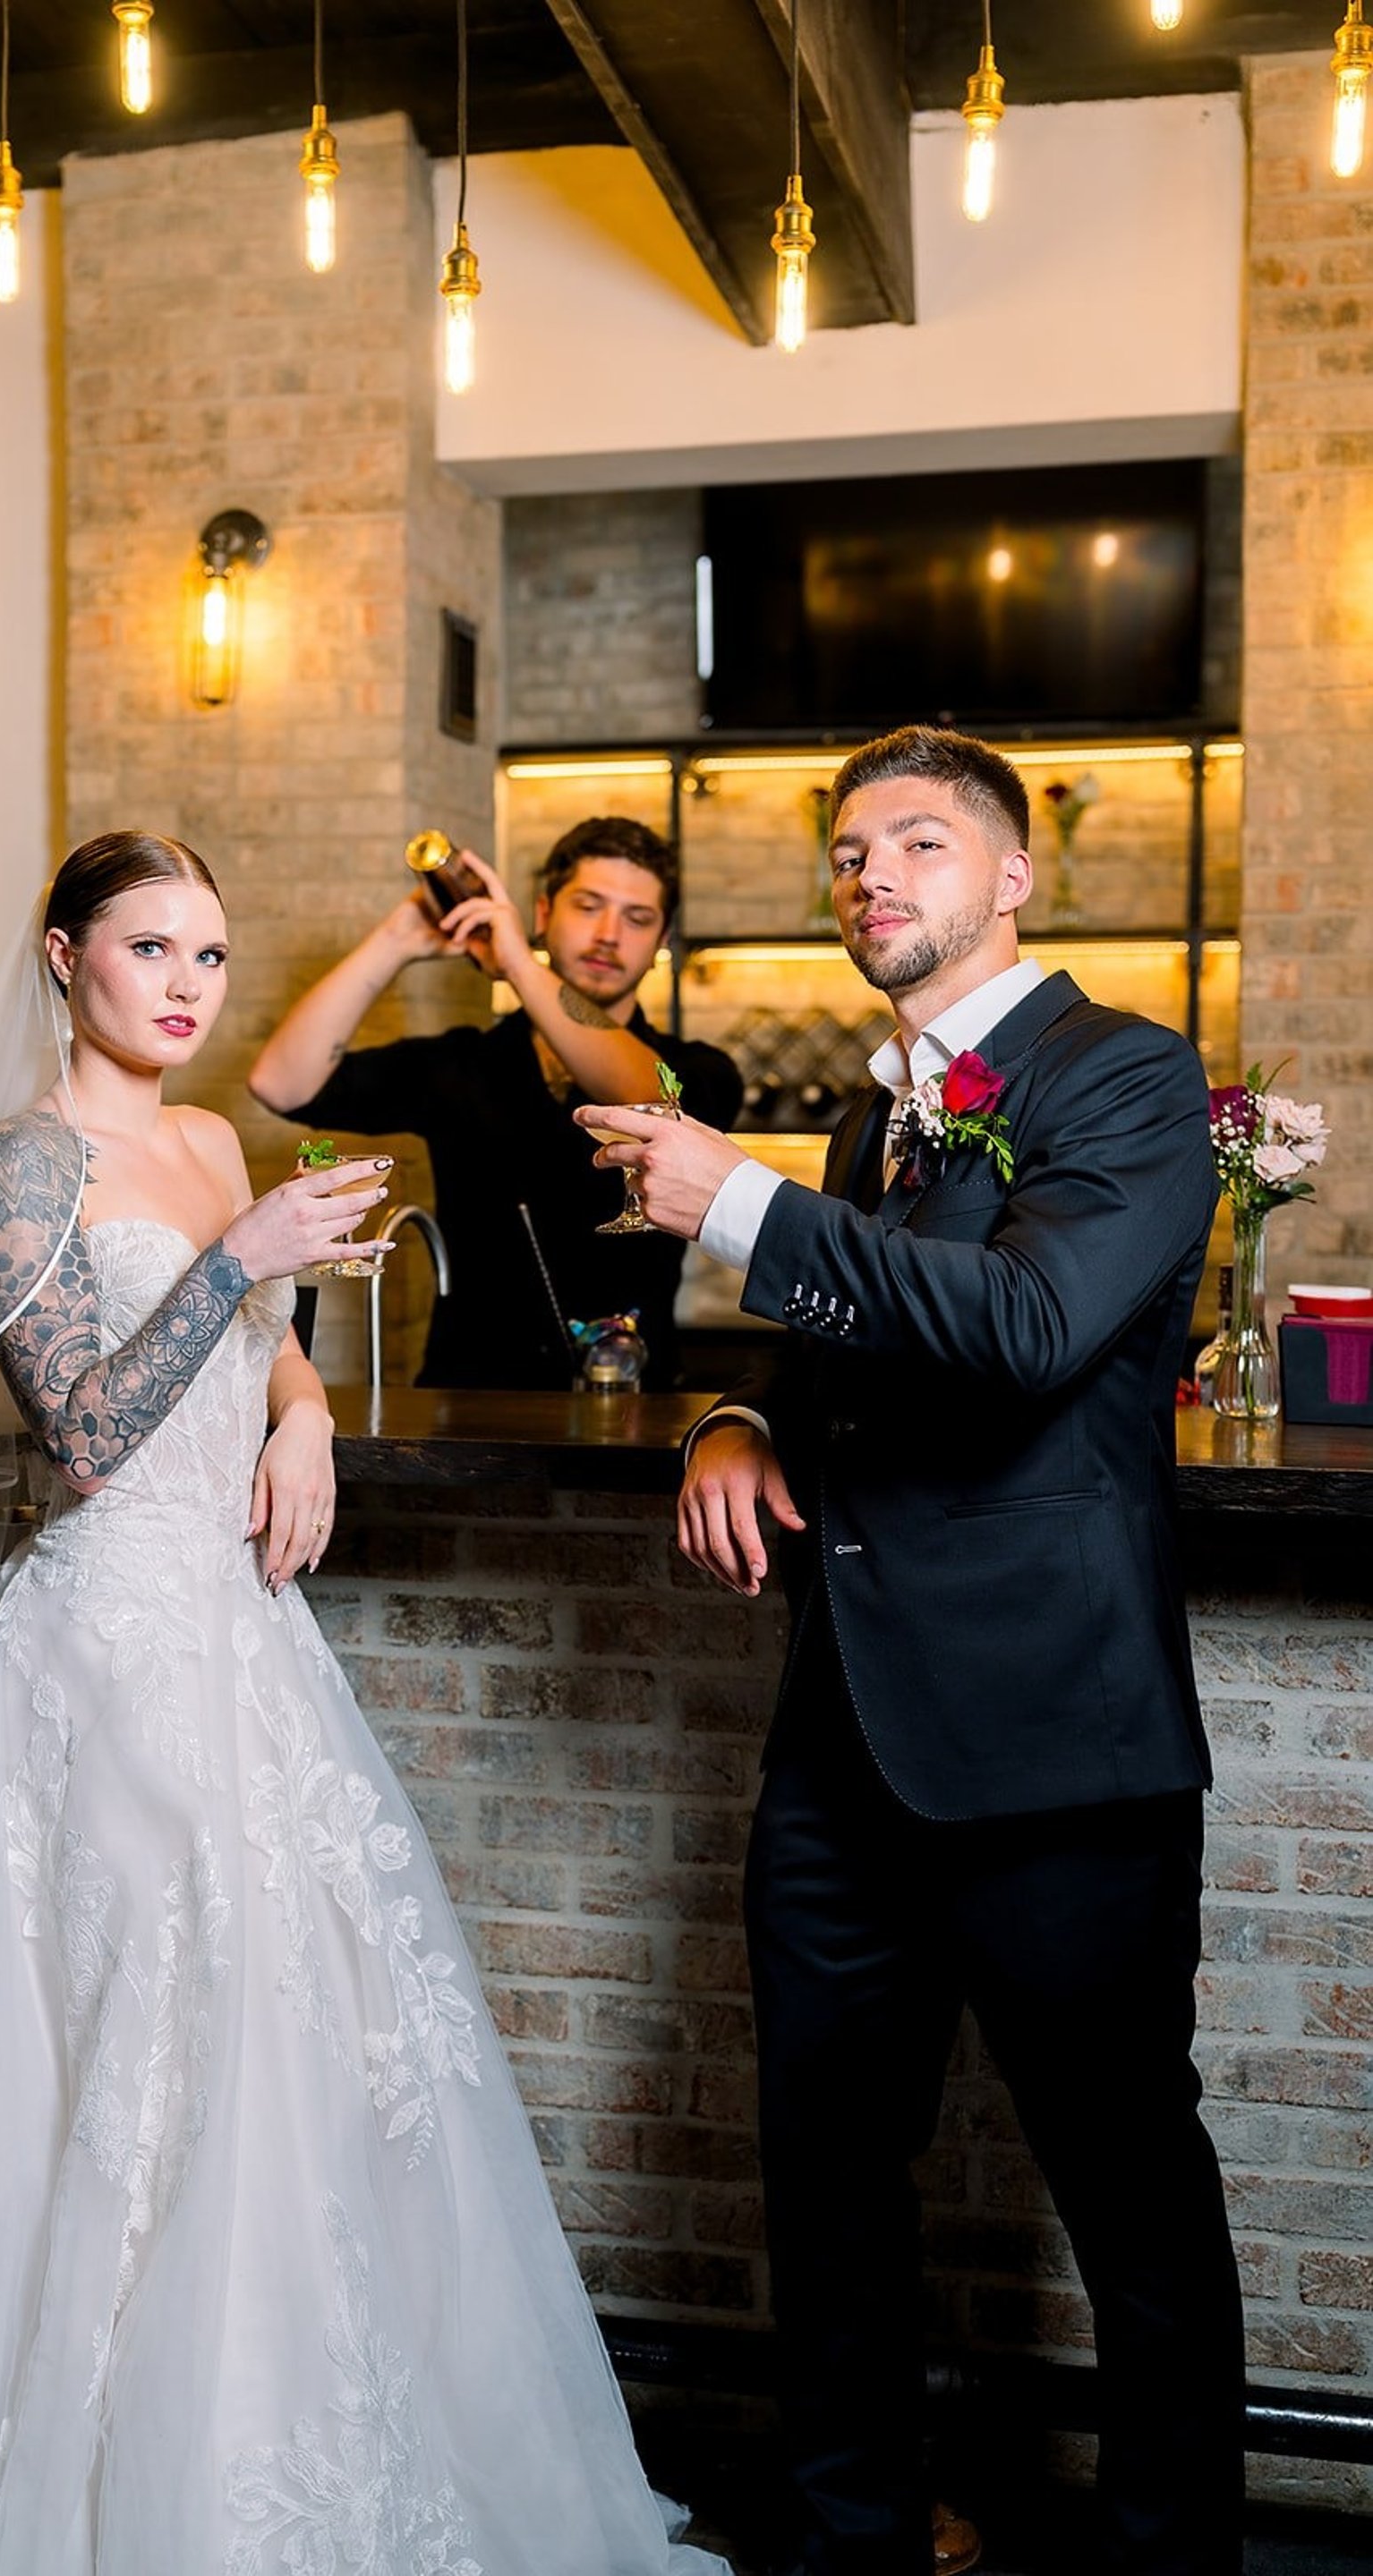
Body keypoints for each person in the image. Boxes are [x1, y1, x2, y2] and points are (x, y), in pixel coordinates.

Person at [0, 831, 729, 2576]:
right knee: (81, 2050)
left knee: (290, 2048)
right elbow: (78, 1431)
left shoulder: (217, 1135)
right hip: (92, 1656)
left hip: (243, 1649)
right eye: (150, 945)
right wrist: (239, 1262)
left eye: (210, 956)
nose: (183, 983)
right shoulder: (25, 1161)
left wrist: (302, 1402)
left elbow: (267, 1344)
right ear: (66, 955)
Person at [577, 729, 1244, 2576]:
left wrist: (735, 1204)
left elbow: (1030, 1324)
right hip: (844, 1737)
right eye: (851, 846)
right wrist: (732, 1405)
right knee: (831, 2179)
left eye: (919, 841)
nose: (873, 871)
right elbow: (856, 1347)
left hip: (1055, 1741)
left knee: (1130, 2195)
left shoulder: (1130, 1071)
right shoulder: (875, 1116)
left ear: (1014, 874)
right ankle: (852, 2535)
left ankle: (1174, 2552)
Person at [247, 817, 742, 1389]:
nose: (609, 933)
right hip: (469, 1406)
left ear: (662, 941)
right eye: (587, 906)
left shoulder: (699, 1072)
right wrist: (397, 939)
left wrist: (518, 964)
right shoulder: (462, 1064)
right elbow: (281, 1083)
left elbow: (648, 1099)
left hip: (633, 1407)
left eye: (637, 919)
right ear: (541, 914)